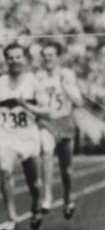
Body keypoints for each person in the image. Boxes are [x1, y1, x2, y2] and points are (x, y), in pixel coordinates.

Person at [0, 43, 50, 230]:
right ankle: (11, 217)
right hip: (5, 134)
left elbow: (46, 111)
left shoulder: (33, 82)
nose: (14, 61)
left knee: (34, 183)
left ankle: (36, 207)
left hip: (28, 134)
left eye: (18, 57)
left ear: (24, 59)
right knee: (5, 170)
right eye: (10, 57)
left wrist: (26, 105)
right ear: (6, 60)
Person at [35, 40, 82, 219]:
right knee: (46, 154)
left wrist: (64, 86)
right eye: (45, 55)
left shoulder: (66, 74)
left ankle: (68, 197)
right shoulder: (38, 76)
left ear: (58, 57)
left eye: (51, 55)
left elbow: (78, 101)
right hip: (47, 122)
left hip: (64, 121)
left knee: (66, 169)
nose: (47, 59)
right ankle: (47, 196)